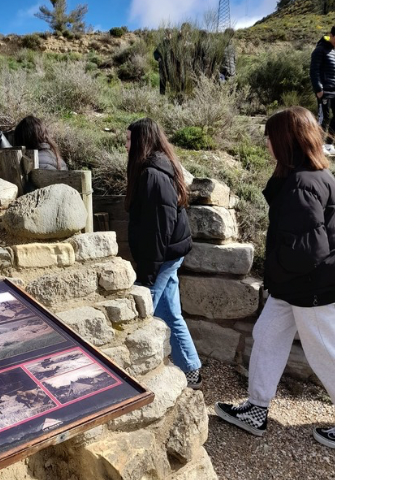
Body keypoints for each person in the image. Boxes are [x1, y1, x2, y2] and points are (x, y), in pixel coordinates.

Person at [214, 106, 335, 449]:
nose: (266, 142)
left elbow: (309, 251)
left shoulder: (302, 183)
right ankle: (256, 408)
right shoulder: (311, 177)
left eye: (269, 136)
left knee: (327, 353)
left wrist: (280, 268)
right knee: (267, 336)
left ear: (286, 140)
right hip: (295, 287)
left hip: (311, 288)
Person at [124, 118, 202, 389]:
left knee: (140, 316)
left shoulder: (153, 175)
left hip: (162, 257)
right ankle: (191, 370)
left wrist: (148, 273)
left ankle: (132, 374)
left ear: (142, 141)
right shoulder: (157, 168)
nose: (125, 145)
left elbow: (158, 229)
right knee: (170, 312)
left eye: (129, 139)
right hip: (169, 254)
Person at [310, 26, 335, 145]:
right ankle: (317, 145)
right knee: (324, 118)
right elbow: (314, 70)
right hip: (324, 91)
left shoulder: (335, 51)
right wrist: (318, 89)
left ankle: (330, 145)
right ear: (332, 35)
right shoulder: (320, 50)